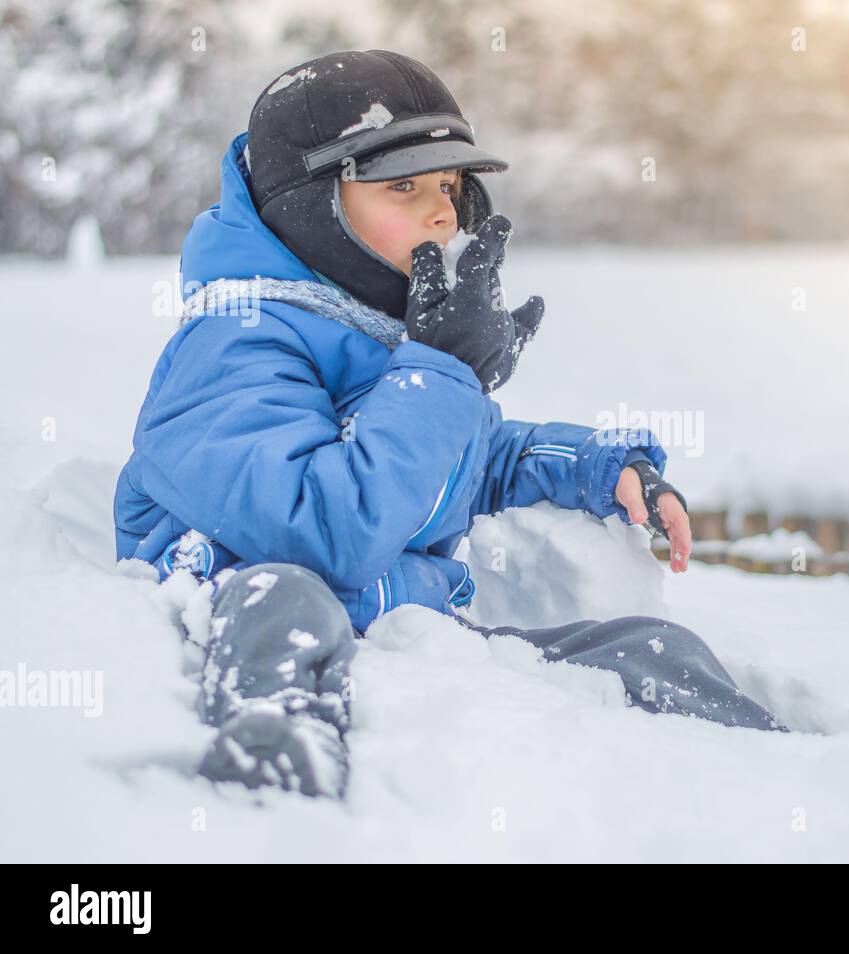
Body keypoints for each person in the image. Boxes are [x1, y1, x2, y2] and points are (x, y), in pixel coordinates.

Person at [113, 50, 787, 799]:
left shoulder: (372, 336)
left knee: (652, 648)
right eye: (402, 186)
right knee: (281, 596)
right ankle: (276, 770)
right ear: (312, 208)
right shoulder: (233, 342)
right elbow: (322, 535)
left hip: (413, 631)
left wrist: (596, 467)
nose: (440, 211)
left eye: (448, 186)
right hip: (274, 631)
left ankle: (785, 785)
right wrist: (439, 372)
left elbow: (459, 461)